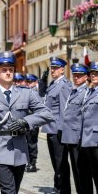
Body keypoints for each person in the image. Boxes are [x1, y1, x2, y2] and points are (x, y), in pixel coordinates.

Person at [0, 51, 53, 194]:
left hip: (20, 148)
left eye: (11, 70)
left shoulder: (26, 93)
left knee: (14, 190)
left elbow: (47, 113)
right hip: (0, 147)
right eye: (4, 70)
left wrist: (26, 121)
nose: (8, 73)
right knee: (8, 191)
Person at [41, 57, 72, 194]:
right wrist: (42, 81)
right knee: (55, 161)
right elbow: (42, 96)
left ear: (62, 69)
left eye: (55, 68)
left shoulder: (64, 85)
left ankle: (63, 189)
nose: (52, 70)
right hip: (51, 128)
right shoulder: (53, 84)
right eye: (51, 68)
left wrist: (62, 130)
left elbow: (64, 110)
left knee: (60, 162)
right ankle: (57, 187)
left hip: (58, 129)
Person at [61, 63, 93, 194]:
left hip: (78, 138)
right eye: (74, 75)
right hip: (70, 138)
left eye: (79, 76)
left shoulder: (86, 92)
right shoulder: (74, 91)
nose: (76, 78)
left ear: (86, 77)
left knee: (83, 172)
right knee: (76, 171)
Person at [80, 61, 98, 193]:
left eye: (97, 73)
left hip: (96, 140)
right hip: (87, 140)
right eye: (92, 73)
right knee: (88, 175)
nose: (94, 75)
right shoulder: (90, 92)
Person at [25, 74, 40, 172]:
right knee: (27, 143)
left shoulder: (36, 93)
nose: (29, 83)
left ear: (35, 82)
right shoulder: (27, 92)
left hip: (33, 121)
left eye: (31, 82)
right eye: (28, 82)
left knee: (32, 143)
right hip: (26, 120)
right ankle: (28, 162)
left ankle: (33, 164)